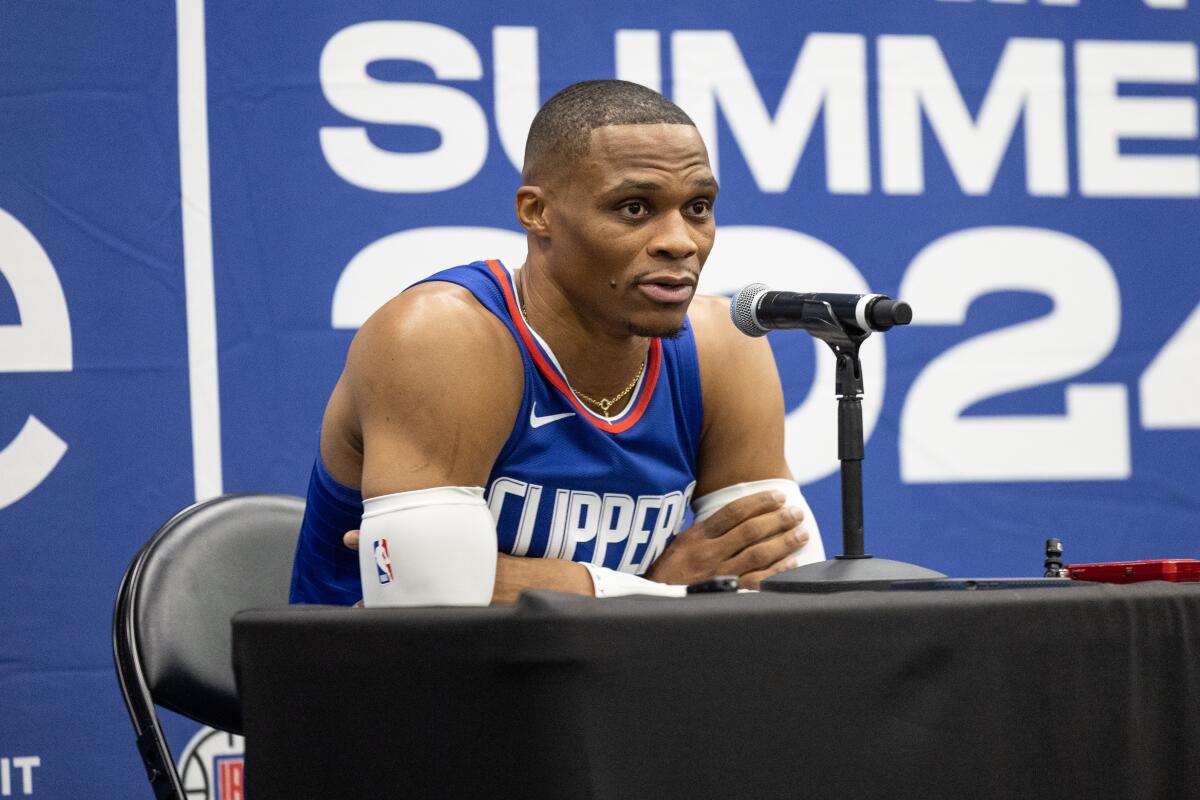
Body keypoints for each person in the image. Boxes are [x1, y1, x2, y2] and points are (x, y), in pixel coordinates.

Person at [289, 79, 824, 606]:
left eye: (698, 207)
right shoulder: (442, 336)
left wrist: (512, 581)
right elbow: (430, 602)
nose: (680, 241)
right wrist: (668, 590)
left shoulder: (721, 346)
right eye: (634, 208)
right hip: (390, 686)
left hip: (611, 684)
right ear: (536, 212)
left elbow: (782, 579)